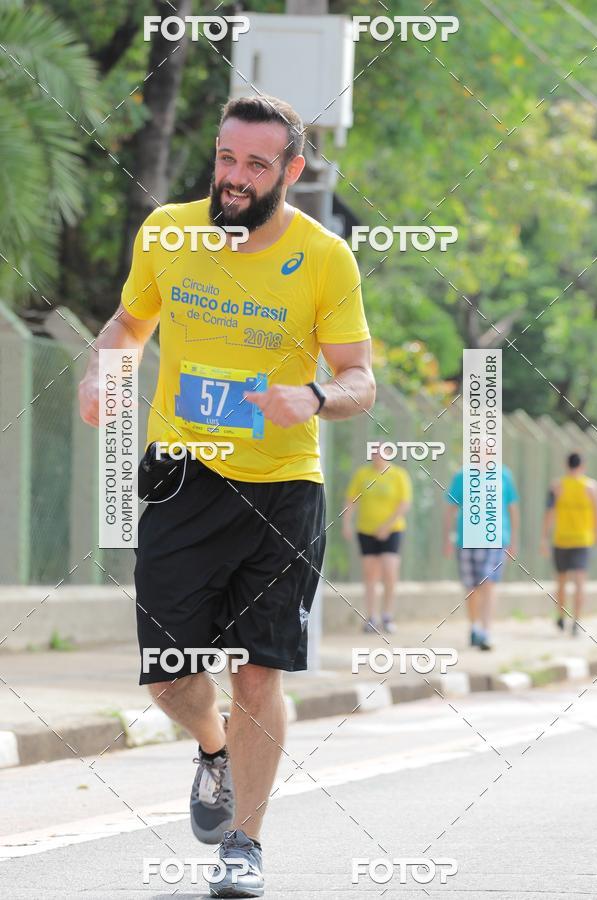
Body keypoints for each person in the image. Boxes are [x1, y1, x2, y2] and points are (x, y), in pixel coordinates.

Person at [78, 95, 374, 898]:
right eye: (226, 159)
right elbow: (128, 327)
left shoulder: (324, 259)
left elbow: (360, 379)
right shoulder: (169, 232)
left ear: (291, 171)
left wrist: (312, 396)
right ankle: (212, 750)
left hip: (283, 489)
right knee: (171, 677)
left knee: (256, 672)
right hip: (183, 479)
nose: (234, 179)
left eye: (255, 165)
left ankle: (245, 844)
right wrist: (104, 371)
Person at [443, 465, 519, 651]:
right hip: (467, 538)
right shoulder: (461, 476)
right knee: (471, 587)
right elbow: (451, 509)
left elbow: (513, 509)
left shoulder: (504, 476)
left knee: (488, 582)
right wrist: (447, 538)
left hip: (496, 539)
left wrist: (513, 541)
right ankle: (474, 627)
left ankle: (486, 631)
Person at [343, 443, 412, 633]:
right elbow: (351, 499)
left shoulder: (398, 475)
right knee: (370, 573)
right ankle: (371, 617)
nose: (376, 455)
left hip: (392, 530)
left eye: (381, 451)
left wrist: (387, 526)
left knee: (390, 570)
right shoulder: (362, 474)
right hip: (366, 530)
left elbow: (404, 503)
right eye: (373, 452)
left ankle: (388, 615)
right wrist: (346, 522)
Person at [541, 452, 597, 636]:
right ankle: (576, 621)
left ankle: (560, 616)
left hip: (561, 539)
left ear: (566, 465)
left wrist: (544, 537)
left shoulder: (557, 486)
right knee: (580, 582)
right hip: (583, 540)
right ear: (582, 466)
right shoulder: (591, 487)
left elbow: (549, 513)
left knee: (561, 581)